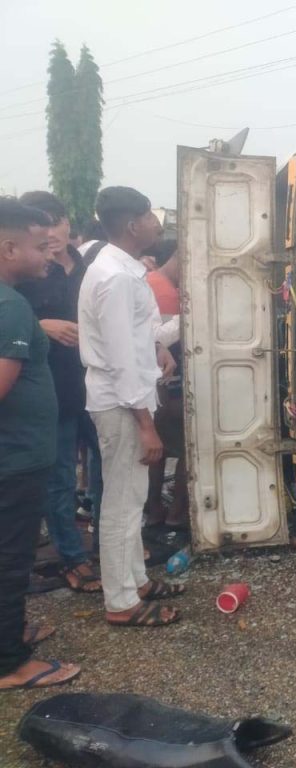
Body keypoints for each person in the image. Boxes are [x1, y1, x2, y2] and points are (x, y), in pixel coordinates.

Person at [78, 187, 185, 628]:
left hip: (124, 400)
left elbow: (135, 336)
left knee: (133, 497)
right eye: (149, 215)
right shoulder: (118, 277)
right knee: (122, 504)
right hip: (122, 406)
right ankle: (122, 602)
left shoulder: (121, 269)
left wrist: (158, 344)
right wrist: (147, 424)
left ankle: (136, 580)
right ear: (132, 225)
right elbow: (122, 360)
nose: (156, 223)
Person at [0, 198, 81, 689]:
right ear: (9, 248)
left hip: (13, 455)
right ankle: (10, 663)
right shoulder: (11, 306)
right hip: (15, 461)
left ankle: (7, 632)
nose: (47, 256)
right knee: (12, 559)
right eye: (37, 246)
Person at [15, 191, 101, 594]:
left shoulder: (91, 267)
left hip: (98, 383)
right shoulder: (26, 273)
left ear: (69, 223)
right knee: (61, 477)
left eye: (56, 221)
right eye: (41, 225)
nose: (50, 233)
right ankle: (72, 555)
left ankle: (105, 545)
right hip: (55, 389)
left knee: (106, 470)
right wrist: (42, 325)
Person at [143, 239, 188, 530]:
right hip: (170, 388)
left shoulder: (150, 281)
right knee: (188, 449)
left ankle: (154, 509)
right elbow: (159, 338)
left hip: (156, 390)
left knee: (157, 455)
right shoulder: (165, 292)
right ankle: (177, 515)